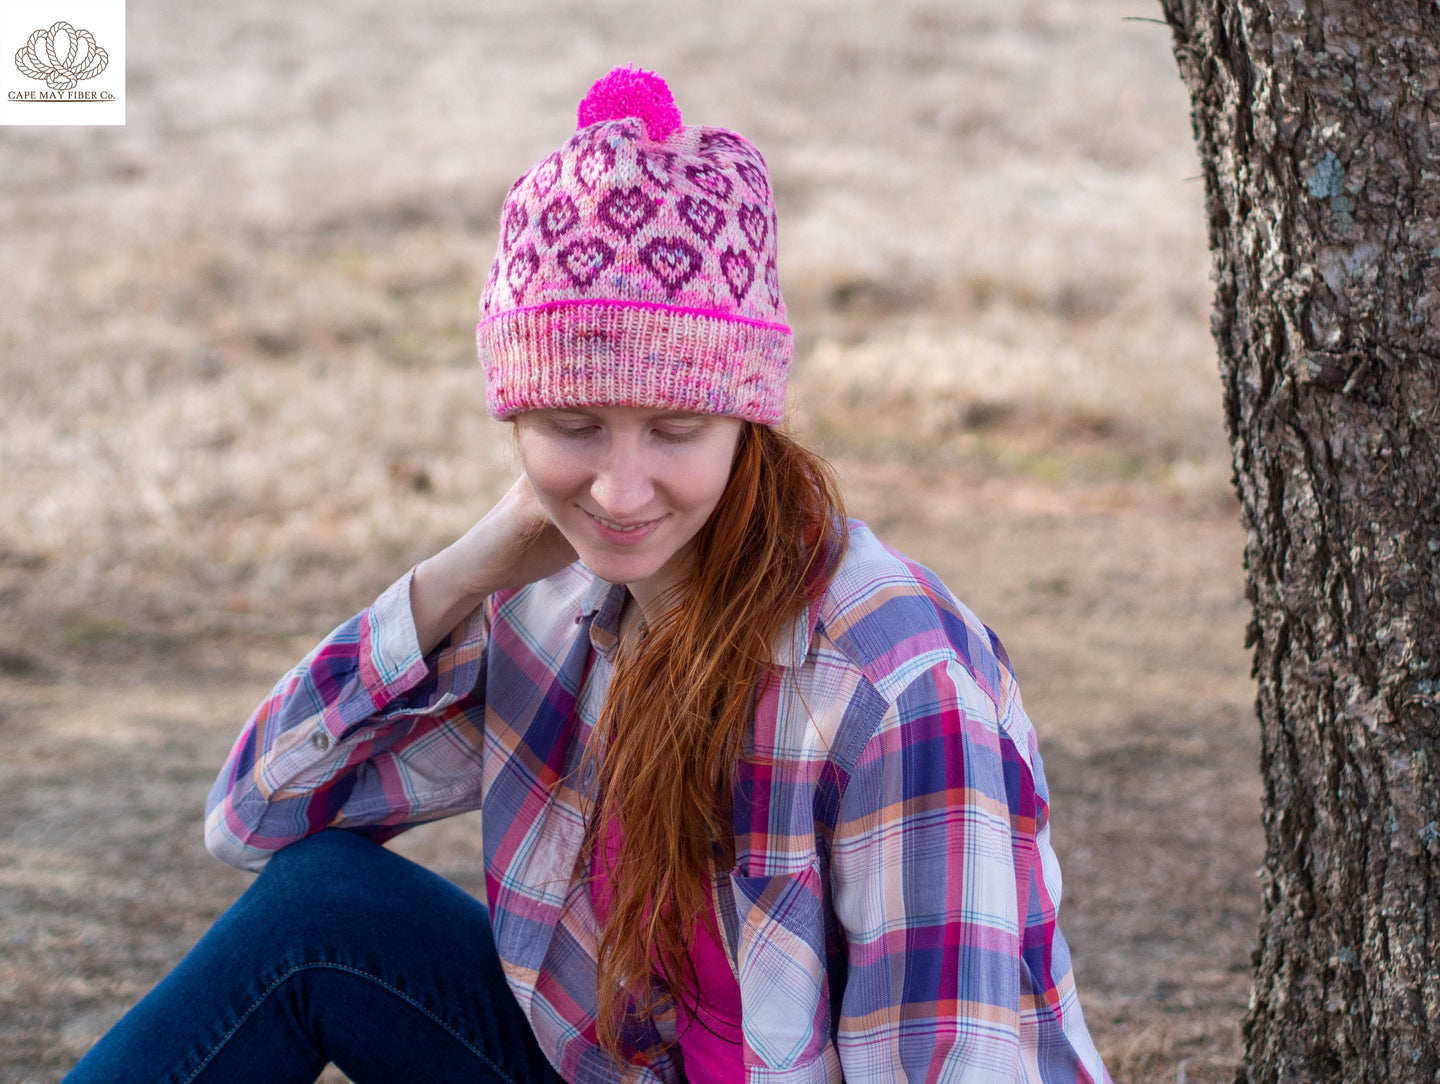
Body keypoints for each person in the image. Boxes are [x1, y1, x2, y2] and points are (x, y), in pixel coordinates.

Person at [64, 67, 1113, 1084]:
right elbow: (255, 815)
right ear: (514, 416)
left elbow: (945, 1067)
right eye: (572, 427)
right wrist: (460, 571)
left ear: (745, 417)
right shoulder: (554, 596)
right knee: (318, 907)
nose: (618, 491)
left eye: (673, 429)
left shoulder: (889, 685)